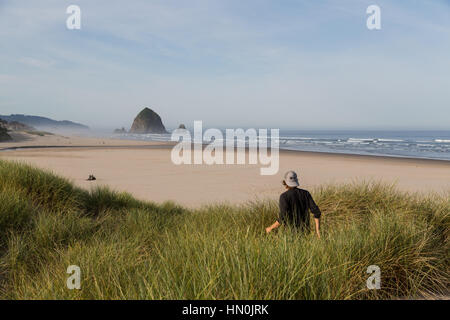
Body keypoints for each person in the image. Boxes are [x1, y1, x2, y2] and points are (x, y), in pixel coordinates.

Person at [265, 171, 321, 238]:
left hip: (290, 235)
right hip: (305, 233)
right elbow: (316, 212)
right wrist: (318, 231)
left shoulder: (284, 197)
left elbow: (283, 217)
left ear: (285, 182)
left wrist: (270, 228)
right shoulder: (306, 194)